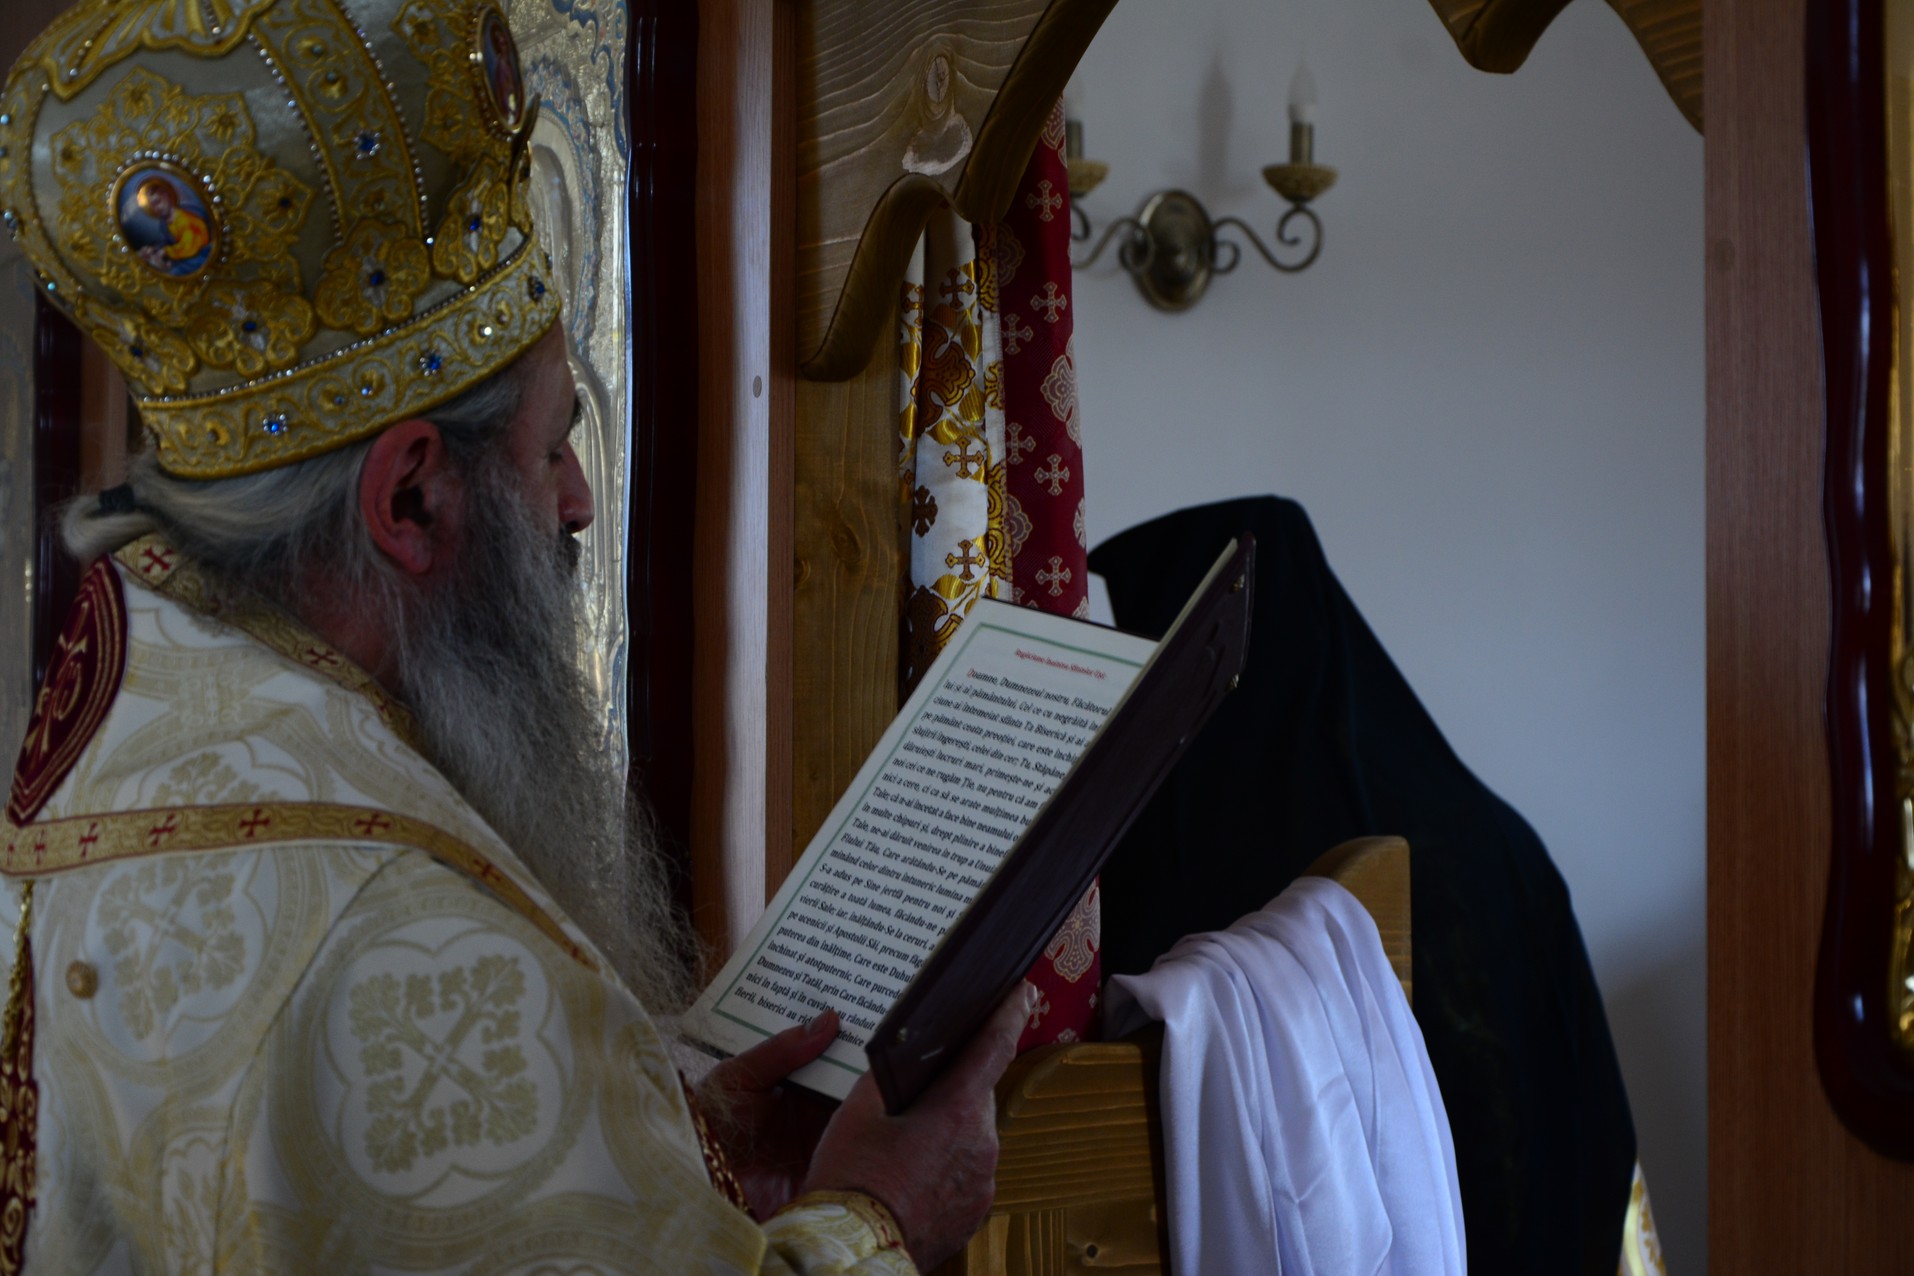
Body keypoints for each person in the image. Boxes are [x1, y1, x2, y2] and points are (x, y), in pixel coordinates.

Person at [0, 1, 1029, 1271]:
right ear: (412, 499)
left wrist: (661, 1139)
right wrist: (882, 1213)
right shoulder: (404, 940)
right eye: (551, 447)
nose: (580, 499)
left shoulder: (121, 758)